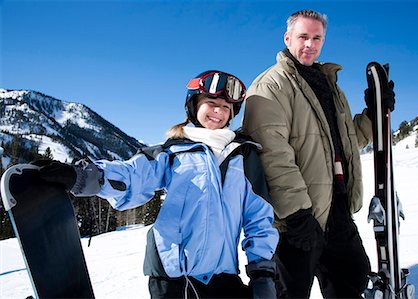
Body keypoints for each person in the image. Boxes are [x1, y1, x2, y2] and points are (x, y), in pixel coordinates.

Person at [38, 70, 279, 299]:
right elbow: (134, 175)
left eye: (226, 107)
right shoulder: (173, 152)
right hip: (170, 276)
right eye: (211, 103)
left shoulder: (244, 157)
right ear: (194, 105)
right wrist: (84, 177)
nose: (219, 111)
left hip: (221, 276)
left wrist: (263, 272)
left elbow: (258, 218)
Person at [242, 9, 395, 299]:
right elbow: (272, 152)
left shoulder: (328, 85)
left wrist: (375, 115)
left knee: (353, 278)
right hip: (296, 221)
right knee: (289, 292)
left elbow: (347, 142)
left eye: (317, 38)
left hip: (336, 209)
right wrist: (298, 213)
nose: (310, 44)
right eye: (303, 37)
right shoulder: (271, 86)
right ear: (287, 38)